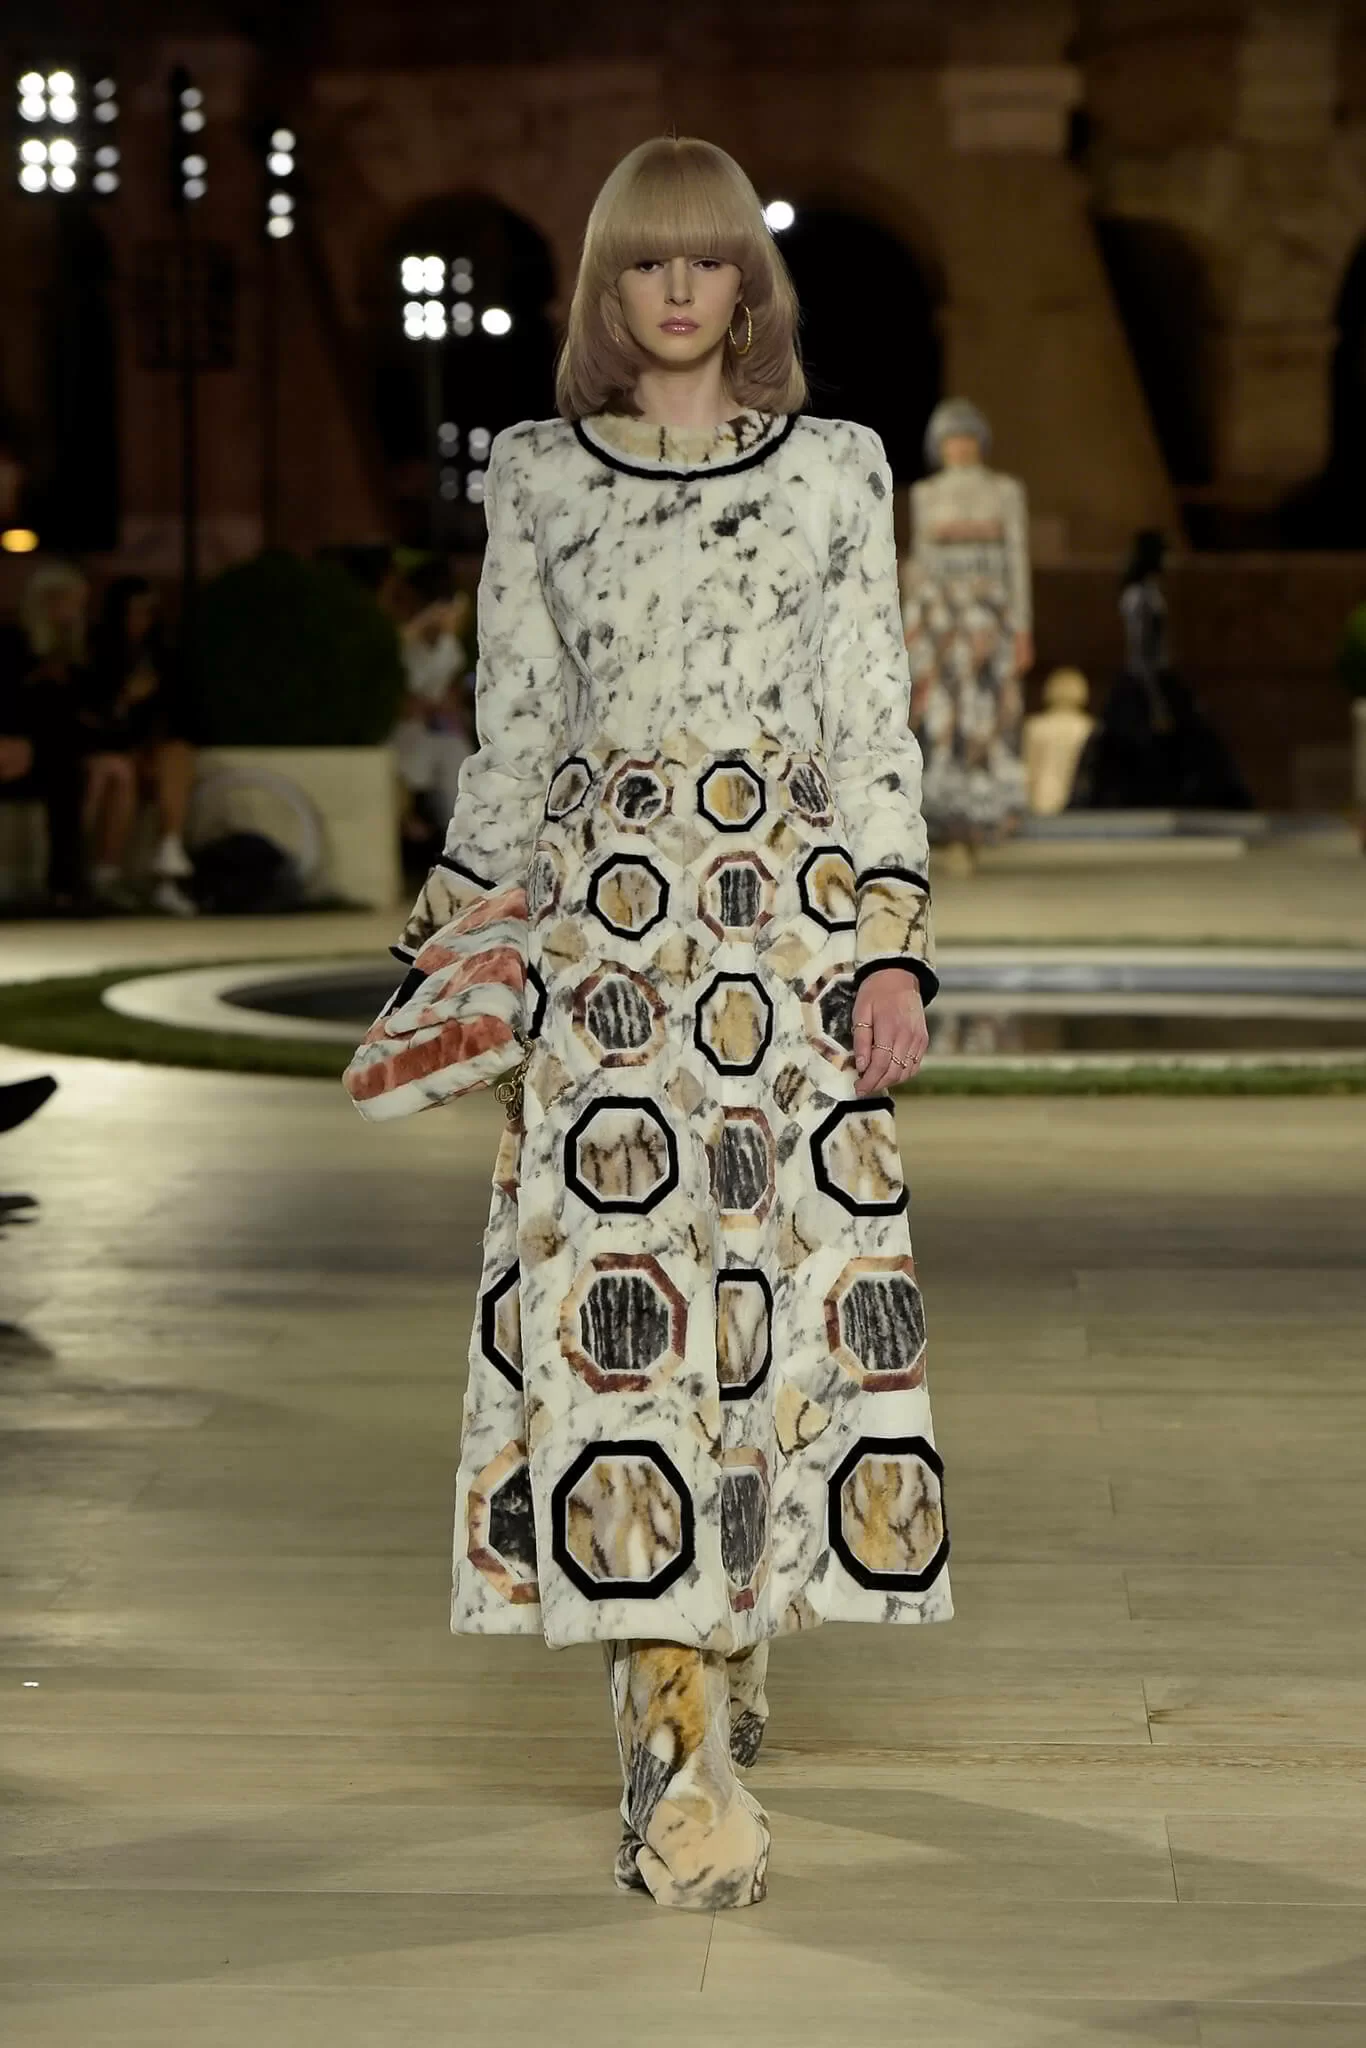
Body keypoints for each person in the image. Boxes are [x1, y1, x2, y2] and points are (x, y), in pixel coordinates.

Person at [389, 134, 952, 1910]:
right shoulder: (538, 474)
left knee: (772, 1306)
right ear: (608, 287)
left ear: (750, 285)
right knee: (613, 1318)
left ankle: (736, 1620)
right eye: (649, 260)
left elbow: (870, 715)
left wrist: (888, 946)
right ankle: (672, 1745)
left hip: (782, 934)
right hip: (603, 945)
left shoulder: (838, 471)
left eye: (711, 259)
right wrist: (454, 949)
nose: (684, 287)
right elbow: (512, 732)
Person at [903, 397, 1031, 871]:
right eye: (949, 439)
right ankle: (945, 824)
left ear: (980, 442)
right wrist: (907, 627)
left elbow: (1017, 560)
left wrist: (1022, 629)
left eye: (966, 437)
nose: (958, 446)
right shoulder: (926, 494)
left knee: (987, 714)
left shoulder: (1005, 491)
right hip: (939, 619)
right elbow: (920, 560)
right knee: (941, 717)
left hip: (988, 617)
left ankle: (982, 824)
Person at [1071, 530, 1252, 811]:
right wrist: (1155, 696)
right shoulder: (1139, 596)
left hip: (1157, 674)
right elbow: (1140, 647)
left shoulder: (1149, 592)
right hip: (1146, 677)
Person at [83, 575, 200, 915]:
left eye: (149, 612)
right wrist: (125, 700)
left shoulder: (161, 657)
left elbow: (179, 714)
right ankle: (107, 875)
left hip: (150, 749)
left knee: (177, 755)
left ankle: (169, 859)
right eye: (135, 611)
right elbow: (91, 719)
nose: (143, 620)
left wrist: (153, 747)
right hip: (110, 747)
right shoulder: (96, 653)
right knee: (122, 771)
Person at [0, 561, 95, 913]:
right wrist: (11, 740)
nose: (77, 612)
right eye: (73, 602)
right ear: (48, 600)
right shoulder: (11, 644)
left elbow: (75, 721)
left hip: (45, 756)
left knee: (69, 774)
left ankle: (66, 887)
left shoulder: (77, 655)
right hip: (9, 749)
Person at [390, 565, 476, 856]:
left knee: (457, 758)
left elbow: (452, 695)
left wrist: (443, 707)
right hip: (402, 734)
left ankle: (460, 846)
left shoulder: (450, 647)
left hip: (438, 732)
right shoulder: (403, 641)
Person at [1022, 667, 1096, 816]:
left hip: (1044, 797)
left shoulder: (1035, 727)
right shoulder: (1089, 727)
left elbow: (1027, 770)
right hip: (1080, 802)